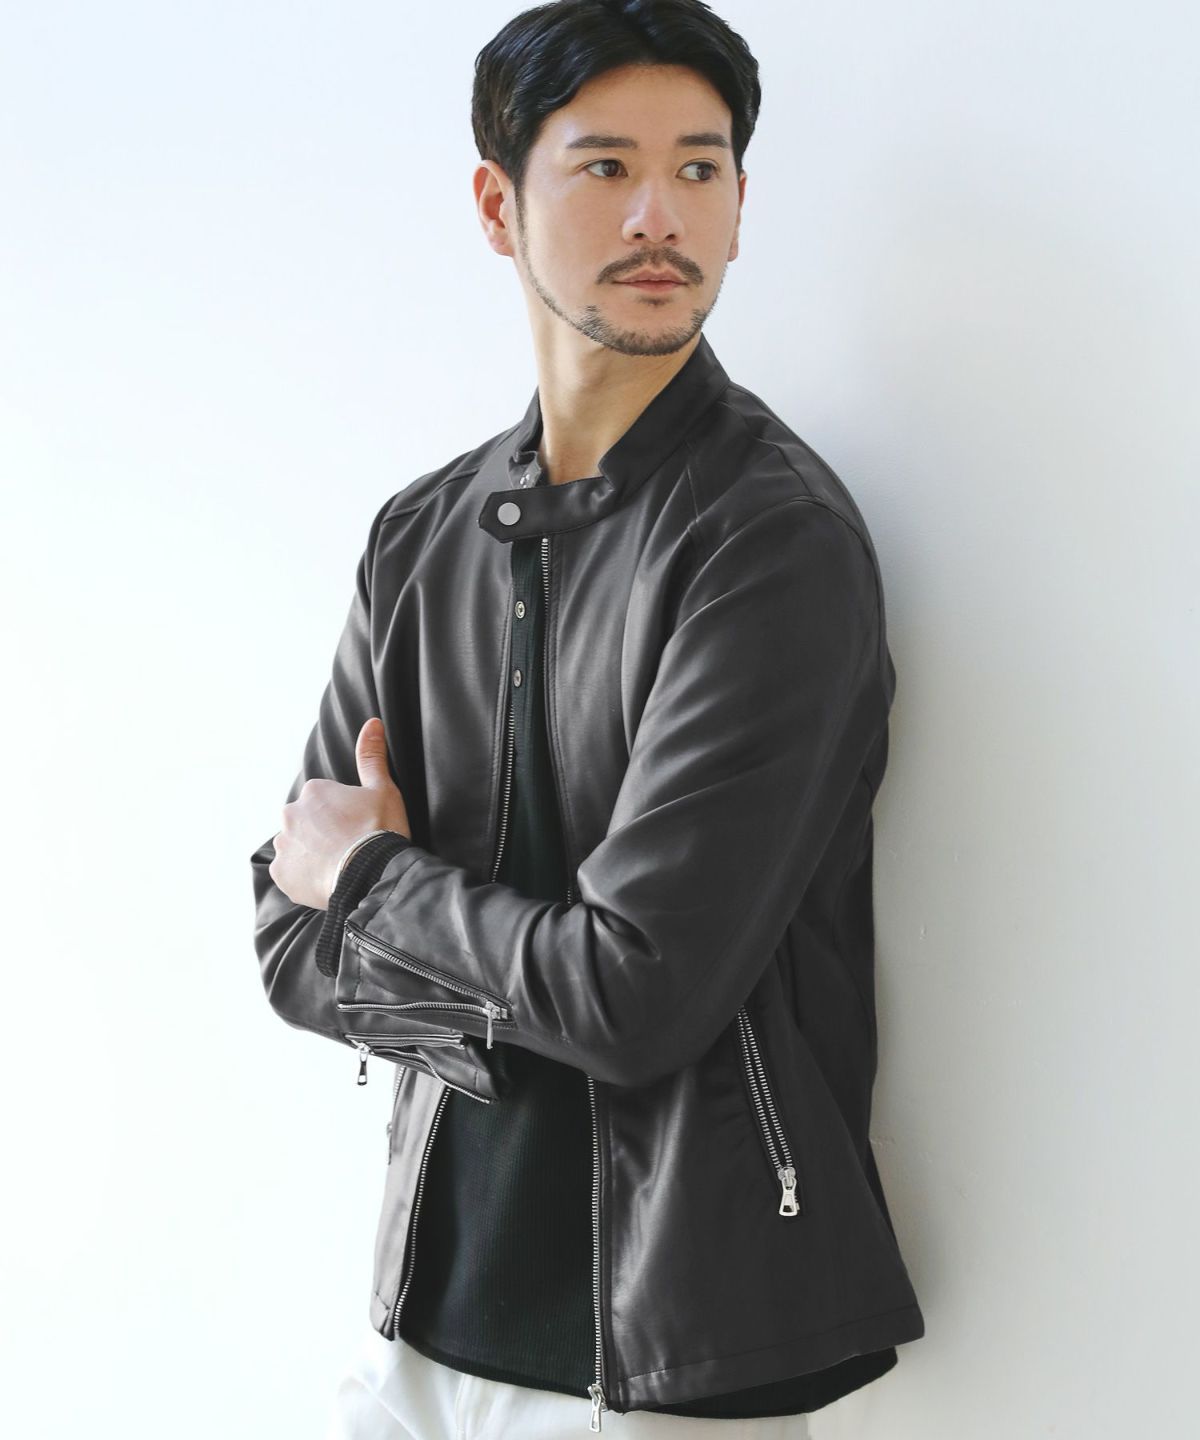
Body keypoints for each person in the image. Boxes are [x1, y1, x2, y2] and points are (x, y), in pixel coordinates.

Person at [250, 2, 926, 1435]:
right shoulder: (424, 535)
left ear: (740, 205)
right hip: (419, 1327)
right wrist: (450, 941)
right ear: (499, 205)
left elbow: (635, 997)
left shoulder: (769, 544)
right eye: (606, 166)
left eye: (699, 168)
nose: (658, 215)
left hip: (673, 1361)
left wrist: (376, 883)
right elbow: (289, 941)